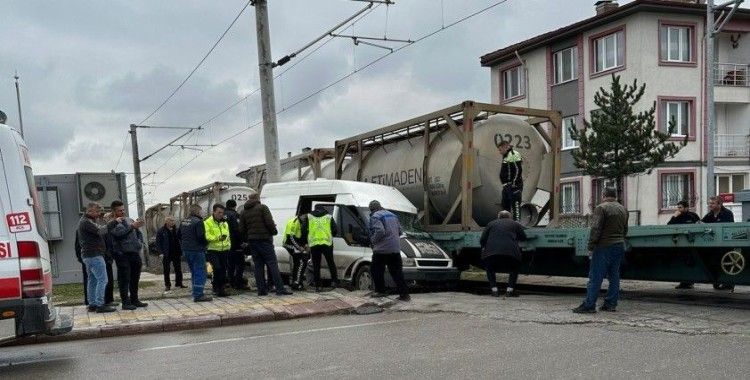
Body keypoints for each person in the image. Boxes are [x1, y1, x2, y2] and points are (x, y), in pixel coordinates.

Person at [573, 187, 628, 313]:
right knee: (614, 276)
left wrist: (591, 247)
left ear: (603, 195)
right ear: (615, 196)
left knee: (596, 276)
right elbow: (625, 230)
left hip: (604, 246)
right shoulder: (623, 209)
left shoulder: (601, 208)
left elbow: (596, 229)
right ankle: (610, 304)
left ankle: (589, 305)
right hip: (619, 245)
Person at [239, 193, 292, 296]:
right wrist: (274, 231)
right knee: (272, 264)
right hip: (265, 240)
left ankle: (261, 290)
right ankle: (280, 289)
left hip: (252, 241)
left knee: (258, 266)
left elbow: (241, 229)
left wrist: (249, 237)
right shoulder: (263, 208)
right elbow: (269, 222)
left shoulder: (243, 212)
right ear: (258, 199)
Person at [107, 200, 148, 310]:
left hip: (134, 253)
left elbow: (138, 232)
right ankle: (126, 302)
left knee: (135, 278)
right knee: (124, 279)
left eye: (123, 209)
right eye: (120, 211)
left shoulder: (129, 220)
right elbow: (119, 235)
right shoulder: (112, 223)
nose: (123, 212)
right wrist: (132, 227)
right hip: (122, 254)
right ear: (114, 212)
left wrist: (140, 243)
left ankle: (135, 299)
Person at [77, 202, 116, 313]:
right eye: (97, 211)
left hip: (89, 255)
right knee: (103, 279)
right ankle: (100, 304)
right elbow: (101, 230)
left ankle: (92, 304)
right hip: (94, 254)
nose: (99, 214)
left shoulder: (87, 221)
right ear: (89, 211)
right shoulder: (86, 222)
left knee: (93, 280)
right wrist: (113, 222)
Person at [368, 200, 410, 301]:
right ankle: (404, 295)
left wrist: (373, 241)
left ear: (372, 209)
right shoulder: (393, 215)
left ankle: (380, 291)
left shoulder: (375, 216)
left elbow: (380, 231)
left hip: (381, 250)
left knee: (376, 270)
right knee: (397, 272)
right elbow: (400, 231)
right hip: (395, 249)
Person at [480, 210, 527, 298]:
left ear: (498, 217)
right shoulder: (515, 224)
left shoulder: (491, 224)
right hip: (511, 253)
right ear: (510, 217)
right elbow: (523, 237)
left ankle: (494, 291)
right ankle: (510, 291)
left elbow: (483, 239)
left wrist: (483, 247)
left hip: (491, 253)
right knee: (514, 268)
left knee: (490, 269)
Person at [179, 204, 212, 302]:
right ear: (197, 212)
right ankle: (198, 295)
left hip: (186, 250)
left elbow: (179, 235)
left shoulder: (184, 221)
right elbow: (201, 236)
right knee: (201, 272)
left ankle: (195, 291)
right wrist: (207, 243)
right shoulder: (198, 222)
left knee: (194, 271)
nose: (201, 213)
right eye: (201, 211)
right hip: (197, 250)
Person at [702, 196, 735, 291]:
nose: (709, 205)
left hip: (725, 243)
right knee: (713, 262)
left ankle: (729, 284)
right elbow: (702, 223)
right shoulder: (710, 215)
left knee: (726, 262)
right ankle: (717, 281)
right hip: (713, 244)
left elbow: (727, 227)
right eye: (709, 203)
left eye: (712, 203)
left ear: (719, 204)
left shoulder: (727, 213)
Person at [667, 200, 701, 290]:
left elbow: (700, 226)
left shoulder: (693, 216)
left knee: (690, 262)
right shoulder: (677, 216)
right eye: (678, 207)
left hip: (692, 243)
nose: (679, 209)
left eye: (680, 207)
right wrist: (674, 216)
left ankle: (689, 282)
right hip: (680, 243)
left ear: (686, 208)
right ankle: (684, 282)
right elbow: (669, 226)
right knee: (682, 262)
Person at [307, 204, 339, 292]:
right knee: (331, 263)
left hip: (314, 244)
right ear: (323, 209)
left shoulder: (309, 217)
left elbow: (304, 229)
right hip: (327, 243)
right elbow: (335, 230)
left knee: (316, 265)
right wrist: (330, 235)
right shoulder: (328, 217)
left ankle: (317, 286)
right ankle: (334, 282)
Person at [204, 204, 231, 297]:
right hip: (213, 250)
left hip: (224, 250)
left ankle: (221, 289)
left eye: (222, 213)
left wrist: (229, 245)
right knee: (217, 268)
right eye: (219, 212)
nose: (221, 214)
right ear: (214, 212)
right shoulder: (207, 222)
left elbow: (228, 236)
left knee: (223, 269)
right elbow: (207, 236)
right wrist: (218, 238)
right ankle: (216, 287)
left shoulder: (225, 223)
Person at [156, 216, 184, 291]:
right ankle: (167, 285)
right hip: (166, 253)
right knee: (166, 270)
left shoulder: (177, 229)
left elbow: (181, 239)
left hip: (176, 252)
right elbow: (158, 243)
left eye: (173, 220)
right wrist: (160, 252)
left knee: (178, 269)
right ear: (166, 221)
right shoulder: (161, 231)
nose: (173, 222)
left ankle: (179, 283)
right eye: (171, 220)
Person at [224, 200, 247, 290]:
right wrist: (242, 242)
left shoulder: (222, 214)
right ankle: (238, 283)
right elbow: (237, 230)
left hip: (225, 244)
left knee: (230, 264)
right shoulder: (235, 215)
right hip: (236, 244)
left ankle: (230, 282)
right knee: (240, 264)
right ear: (235, 206)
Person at [498, 140, 523, 221]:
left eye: (500, 150)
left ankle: (517, 224)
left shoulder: (513, 154)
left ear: (505, 147)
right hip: (506, 186)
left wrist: (514, 183)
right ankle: (506, 223)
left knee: (515, 206)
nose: (499, 152)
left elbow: (518, 170)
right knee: (505, 205)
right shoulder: (506, 155)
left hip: (514, 186)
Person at [283, 214, 309, 290]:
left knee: (299, 261)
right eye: (304, 215)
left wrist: (306, 245)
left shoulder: (303, 222)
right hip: (289, 244)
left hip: (296, 244)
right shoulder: (294, 222)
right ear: (300, 215)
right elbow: (291, 237)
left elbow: (303, 235)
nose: (305, 217)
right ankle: (297, 282)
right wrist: (299, 247)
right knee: (302, 260)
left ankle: (296, 281)